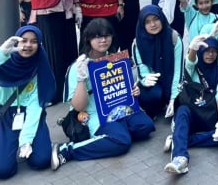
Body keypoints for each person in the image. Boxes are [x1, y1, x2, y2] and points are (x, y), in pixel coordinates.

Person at [51, 19, 155, 171]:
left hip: (120, 110)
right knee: (122, 142)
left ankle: (115, 133)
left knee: (146, 127)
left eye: (107, 35)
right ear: (88, 39)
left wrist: (134, 91)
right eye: (97, 36)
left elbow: (124, 87)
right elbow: (79, 106)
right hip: (95, 114)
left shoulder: (115, 59)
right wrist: (81, 79)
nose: (103, 40)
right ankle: (67, 150)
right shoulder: (78, 66)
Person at [0, 26, 56, 179]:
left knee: (41, 160)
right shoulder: (5, 61)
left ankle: (26, 143)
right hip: (6, 114)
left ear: (40, 44)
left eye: (34, 41)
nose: (28, 45)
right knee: (1, 171)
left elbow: (35, 106)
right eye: (24, 40)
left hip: (31, 115)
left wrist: (26, 140)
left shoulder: (40, 65)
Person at [162, 37, 218, 175]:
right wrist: (193, 49)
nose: (210, 55)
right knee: (182, 111)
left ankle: (179, 140)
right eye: (206, 51)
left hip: (210, 115)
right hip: (193, 115)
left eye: (214, 51)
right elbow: (189, 62)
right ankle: (180, 158)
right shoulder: (193, 68)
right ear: (201, 52)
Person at [132, 6, 183, 119]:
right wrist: (145, 79)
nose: (153, 24)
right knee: (149, 95)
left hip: (172, 79)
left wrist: (174, 97)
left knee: (182, 101)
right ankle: (152, 110)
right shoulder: (138, 43)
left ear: (162, 18)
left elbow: (179, 70)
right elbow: (141, 70)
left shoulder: (174, 37)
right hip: (154, 82)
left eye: (156, 19)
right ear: (142, 24)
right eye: (147, 22)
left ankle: (169, 102)